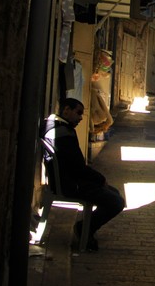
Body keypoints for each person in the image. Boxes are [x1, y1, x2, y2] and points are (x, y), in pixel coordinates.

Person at [43, 98, 125, 251]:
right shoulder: (63, 133)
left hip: (65, 180)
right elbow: (77, 167)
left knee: (113, 194)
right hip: (70, 184)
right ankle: (84, 230)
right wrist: (100, 180)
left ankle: (87, 229)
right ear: (66, 110)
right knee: (116, 201)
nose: (81, 118)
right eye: (78, 113)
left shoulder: (53, 126)